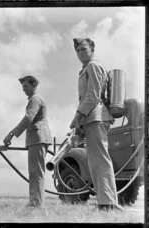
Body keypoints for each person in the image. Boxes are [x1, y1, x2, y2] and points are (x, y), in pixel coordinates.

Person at [70, 38, 123, 211]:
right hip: (90, 117)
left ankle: (108, 203)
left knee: (100, 160)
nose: (80, 52)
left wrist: (78, 116)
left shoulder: (93, 66)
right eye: (77, 50)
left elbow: (92, 96)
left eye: (83, 49)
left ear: (92, 49)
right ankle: (105, 202)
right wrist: (78, 120)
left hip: (96, 116)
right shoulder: (85, 69)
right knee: (95, 162)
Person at [3, 76, 52, 209]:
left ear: (34, 84)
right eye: (23, 87)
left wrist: (12, 133)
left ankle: (36, 203)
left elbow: (28, 118)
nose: (23, 89)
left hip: (38, 137)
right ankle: (35, 202)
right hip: (36, 138)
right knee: (35, 172)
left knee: (36, 172)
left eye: (26, 86)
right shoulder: (34, 99)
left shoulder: (35, 99)